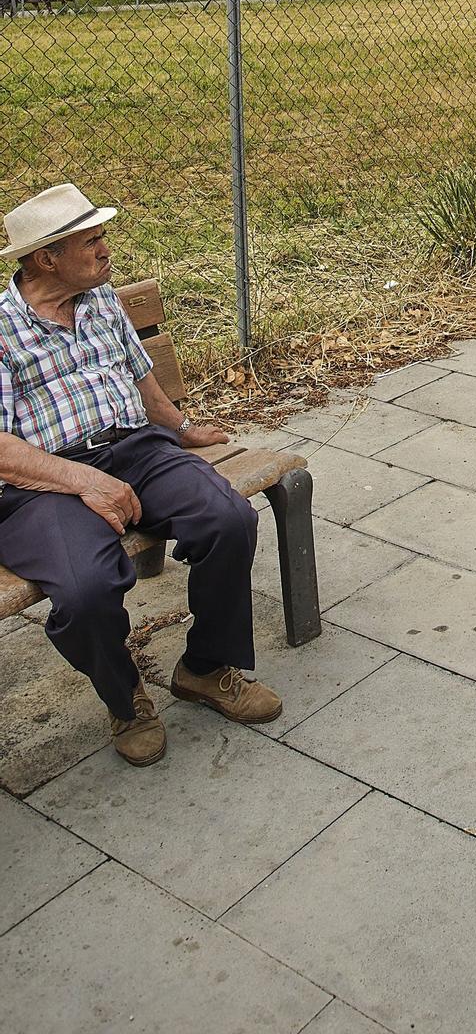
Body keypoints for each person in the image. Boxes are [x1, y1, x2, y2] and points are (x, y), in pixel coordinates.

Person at [0, 184, 281, 765]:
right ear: (45, 258)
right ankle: (125, 696)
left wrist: (180, 429)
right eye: (93, 240)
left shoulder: (99, 300)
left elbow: (140, 377)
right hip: (40, 483)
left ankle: (203, 667)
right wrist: (82, 481)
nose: (106, 250)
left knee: (227, 519)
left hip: (136, 449)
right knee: (83, 592)